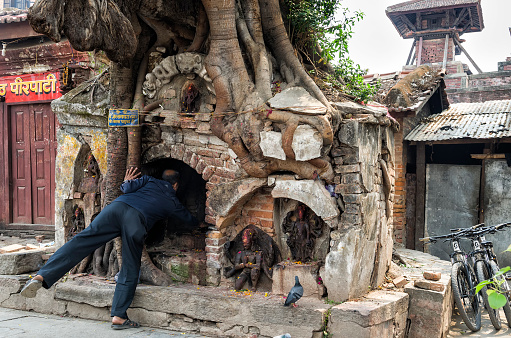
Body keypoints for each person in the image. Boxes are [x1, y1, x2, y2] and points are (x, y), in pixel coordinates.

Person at [19, 167, 199, 330]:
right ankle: (119, 316)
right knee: (130, 266)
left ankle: (43, 274)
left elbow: (126, 188)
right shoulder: (172, 201)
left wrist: (128, 181)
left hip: (115, 209)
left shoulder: (148, 180)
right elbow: (189, 221)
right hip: (136, 221)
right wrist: (203, 223)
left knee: (81, 241)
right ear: (175, 186)